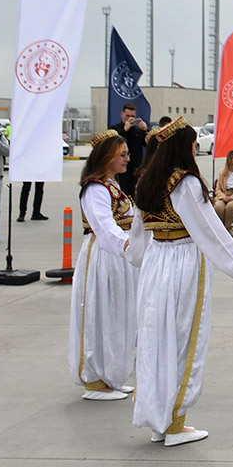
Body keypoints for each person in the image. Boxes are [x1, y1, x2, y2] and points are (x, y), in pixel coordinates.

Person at [128, 117, 233, 447]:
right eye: (193, 145)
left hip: (154, 261)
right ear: (184, 148)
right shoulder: (185, 183)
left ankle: (158, 419)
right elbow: (212, 234)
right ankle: (175, 423)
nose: (195, 150)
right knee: (181, 340)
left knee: (154, 340)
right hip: (180, 262)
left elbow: (136, 239)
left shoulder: (147, 180)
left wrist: (137, 258)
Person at [69, 129, 139, 402]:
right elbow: (104, 226)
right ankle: (96, 380)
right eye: (122, 155)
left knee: (118, 315)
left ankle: (111, 374)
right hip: (103, 257)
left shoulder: (112, 185)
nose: (127, 159)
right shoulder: (95, 188)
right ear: (107, 156)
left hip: (119, 258)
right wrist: (127, 246)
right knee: (100, 314)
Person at [110, 103, 149, 196]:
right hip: (121, 172)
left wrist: (146, 130)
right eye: (127, 116)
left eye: (133, 116)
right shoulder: (115, 129)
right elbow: (114, 144)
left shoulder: (138, 131)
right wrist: (125, 129)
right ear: (122, 114)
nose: (130, 118)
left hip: (135, 171)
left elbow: (149, 144)